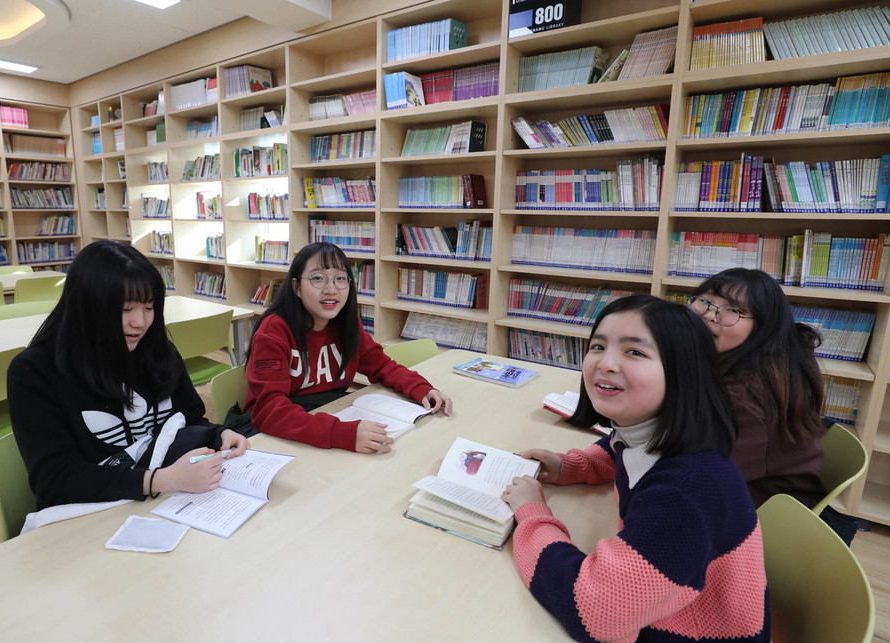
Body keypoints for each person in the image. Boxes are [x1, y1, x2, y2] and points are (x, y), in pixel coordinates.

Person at [502, 295, 769, 642]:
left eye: (635, 352)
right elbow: (620, 449)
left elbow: (595, 612)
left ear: (683, 373)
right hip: (669, 604)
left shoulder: (684, 494)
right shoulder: (663, 432)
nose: (605, 364)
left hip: (686, 629)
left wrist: (532, 513)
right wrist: (572, 466)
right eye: (598, 346)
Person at [7, 240, 249, 509]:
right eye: (125, 309)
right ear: (87, 307)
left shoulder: (157, 351)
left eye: (149, 307)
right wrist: (162, 480)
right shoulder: (34, 372)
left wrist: (221, 434)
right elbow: (55, 482)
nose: (141, 322)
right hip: (93, 515)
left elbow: (189, 419)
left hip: (167, 502)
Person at [244, 241, 452, 453]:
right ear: (296, 287)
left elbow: (381, 366)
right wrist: (340, 433)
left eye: (340, 279)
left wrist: (421, 388)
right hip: (277, 434)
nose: (331, 289)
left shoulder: (345, 325)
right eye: (317, 278)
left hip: (326, 416)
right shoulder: (273, 331)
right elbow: (269, 410)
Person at [689, 267, 827, 509]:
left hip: (763, 518)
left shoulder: (745, 398)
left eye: (733, 310)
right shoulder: (748, 363)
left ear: (762, 328)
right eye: (705, 301)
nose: (710, 315)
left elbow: (696, 476)